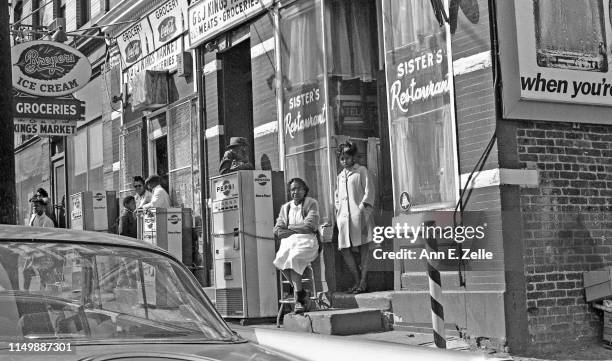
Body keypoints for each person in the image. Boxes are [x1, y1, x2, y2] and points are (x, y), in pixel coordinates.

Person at [273, 178, 320, 313]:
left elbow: (310, 225)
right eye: (293, 189)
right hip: (289, 243)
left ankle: (298, 299)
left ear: (305, 190)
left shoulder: (311, 203)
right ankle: (302, 293)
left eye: (299, 188)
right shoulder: (286, 207)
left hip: (307, 242)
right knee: (280, 260)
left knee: (293, 258)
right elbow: (277, 230)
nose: (295, 192)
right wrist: (295, 229)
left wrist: (290, 228)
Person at [335, 141, 375, 294]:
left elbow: (369, 190)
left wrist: (362, 208)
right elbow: (337, 196)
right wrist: (338, 211)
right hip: (344, 219)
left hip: (360, 216)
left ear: (353, 157)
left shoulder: (361, 171)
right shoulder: (340, 176)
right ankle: (357, 280)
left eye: (347, 157)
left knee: (364, 247)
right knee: (345, 249)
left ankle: (363, 282)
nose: (345, 160)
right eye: (342, 158)